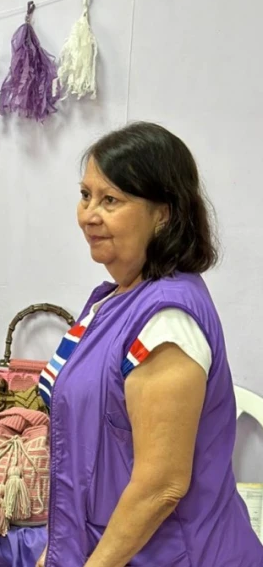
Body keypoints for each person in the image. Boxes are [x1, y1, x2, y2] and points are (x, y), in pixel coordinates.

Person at [35, 122, 263, 566]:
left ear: (164, 214)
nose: (88, 215)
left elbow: (162, 485)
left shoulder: (166, 318)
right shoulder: (113, 300)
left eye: (111, 200)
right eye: (85, 195)